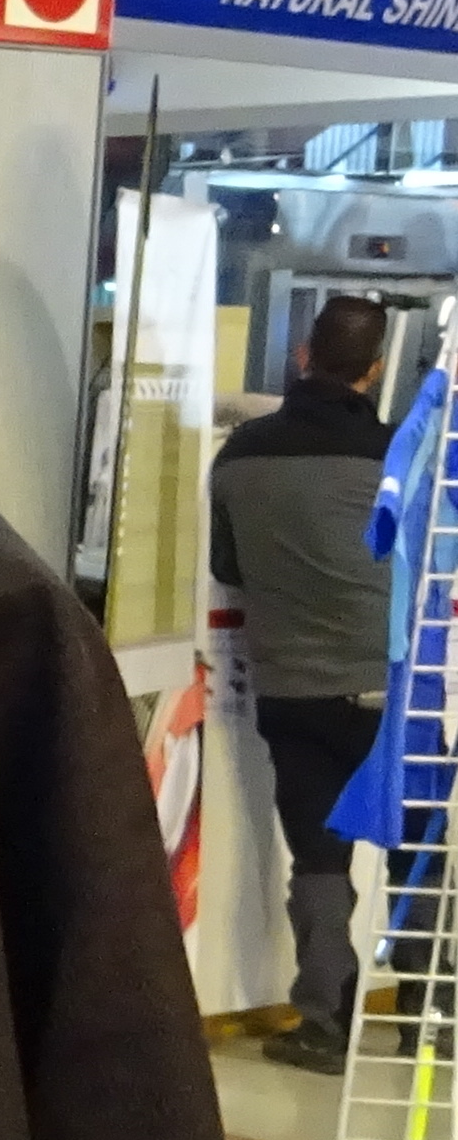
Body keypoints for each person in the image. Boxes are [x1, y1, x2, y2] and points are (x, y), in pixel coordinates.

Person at [213, 293, 403, 1071]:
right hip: (392, 693)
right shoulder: (397, 456)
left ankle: (324, 1026)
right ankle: (432, 1017)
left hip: (292, 689)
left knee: (318, 862)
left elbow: (227, 567)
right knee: (417, 855)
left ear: (301, 357)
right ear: (374, 369)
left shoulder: (239, 455)